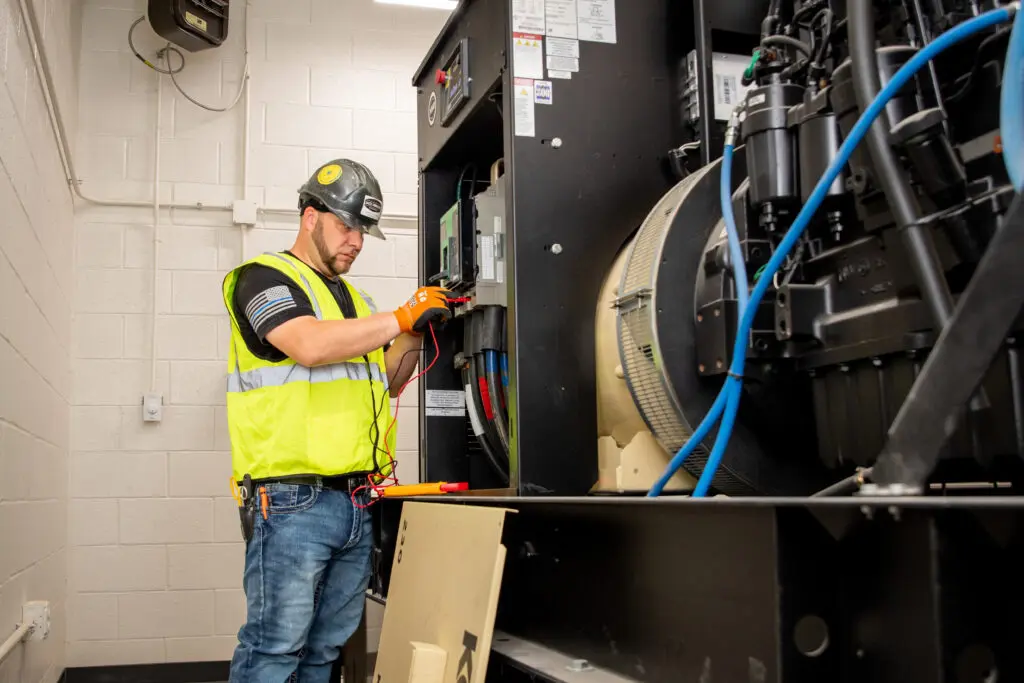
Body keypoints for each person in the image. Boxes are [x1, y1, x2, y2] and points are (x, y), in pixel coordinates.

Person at [221, 158, 451, 682]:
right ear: (310, 217)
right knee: (274, 649)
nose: (356, 241)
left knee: (324, 653)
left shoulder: (356, 301)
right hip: (290, 502)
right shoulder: (262, 278)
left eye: (363, 232)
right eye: (346, 226)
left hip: (354, 501)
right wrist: (396, 318)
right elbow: (306, 345)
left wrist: (412, 333)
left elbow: (385, 384)